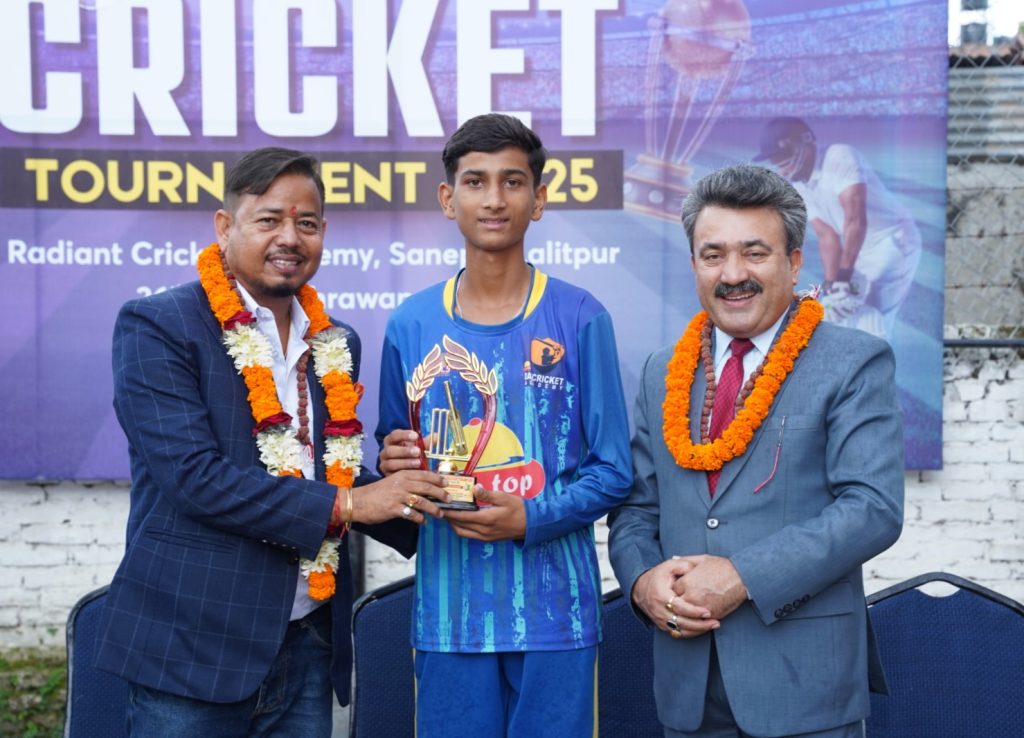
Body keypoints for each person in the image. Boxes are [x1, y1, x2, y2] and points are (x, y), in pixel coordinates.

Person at [95, 147, 448, 737]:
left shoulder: (336, 341)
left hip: (308, 645)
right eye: (269, 219)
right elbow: (194, 478)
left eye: (306, 222)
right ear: (224, 226)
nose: (290, 237)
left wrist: (428, 499)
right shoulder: (159, 325)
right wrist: (354, 503)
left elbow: (320, 473)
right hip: (192, 649)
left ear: (323, 233)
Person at [608, 164, 904, 738]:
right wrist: (642, 581)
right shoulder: (662, 372)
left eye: (755, 253)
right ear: (693, 264)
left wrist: (742, 576)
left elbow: (873, 508)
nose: (733, 274)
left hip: (805, 688)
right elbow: (637, 508)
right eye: (713, 255)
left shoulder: (853, 361)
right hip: (687, 687)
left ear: (794, 262)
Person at [375, 113, 632, 737]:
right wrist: (392, 468)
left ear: (538, 199)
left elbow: (613, 470)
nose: (493, 198)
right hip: (449, 620)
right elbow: (394, 462)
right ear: (448, 199)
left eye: (512, 181)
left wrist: (530, 518)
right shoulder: (410, 324)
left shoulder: (580, 316)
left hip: (556, 619)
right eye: (475, 181)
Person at [754, 116, 922, 340]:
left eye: (783, 157)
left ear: (805, 143)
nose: (781, 166)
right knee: (842, 312)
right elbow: (827, 236)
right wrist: (832, 285)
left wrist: (844, 276)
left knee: (872, 315)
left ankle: (880, 360)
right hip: (863, 249)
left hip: (893, 239)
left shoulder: (840, 156)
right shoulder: (800, 184)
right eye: (776, 160)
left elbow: (855, 218)